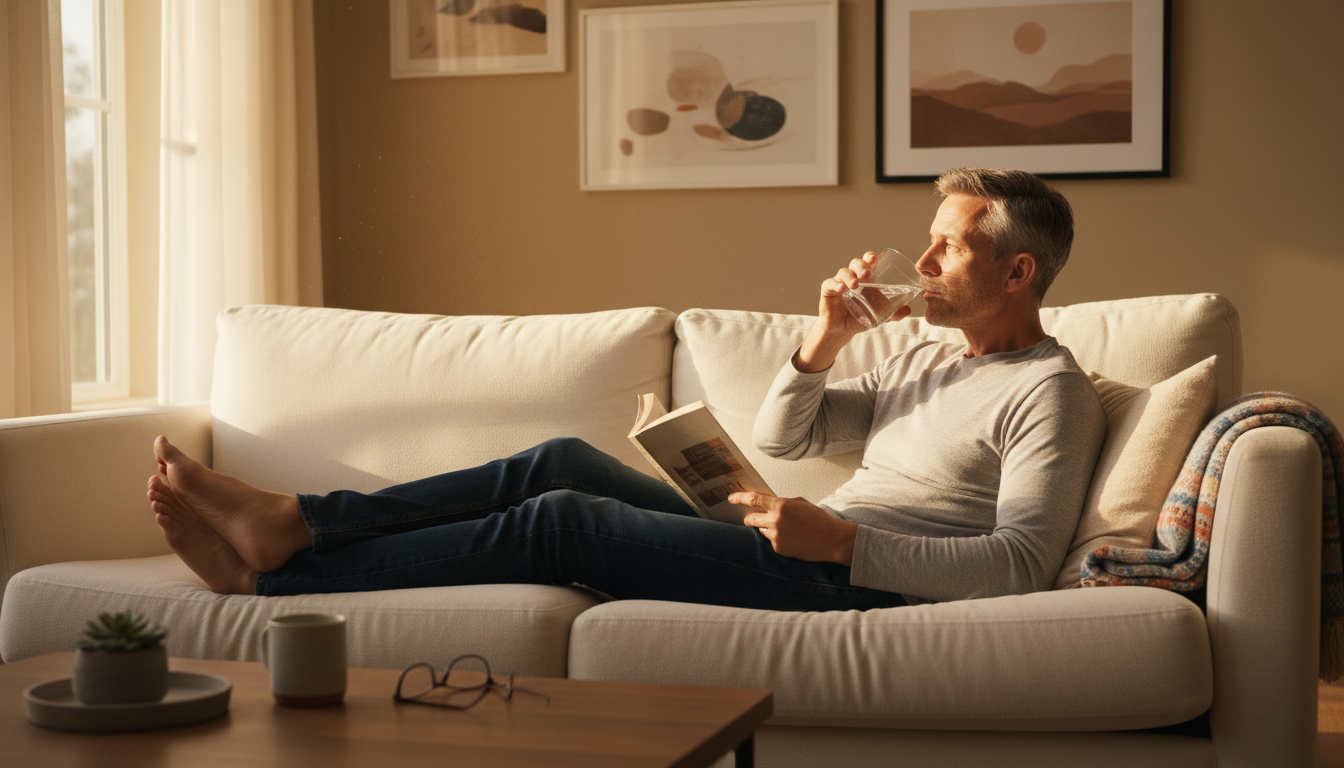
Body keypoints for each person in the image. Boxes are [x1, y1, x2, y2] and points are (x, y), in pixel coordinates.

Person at [148, 167, 1106, 609]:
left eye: (952, 243)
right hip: (808, 541)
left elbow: (1017, 563)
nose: (927, 257)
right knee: (561, 457)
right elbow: (799, 433)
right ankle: (298, 521)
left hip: (861, 583)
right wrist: (823, 339)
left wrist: (845, 542)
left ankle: (280, 568)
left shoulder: (1050, 394)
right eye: (930, 236)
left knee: (564, 518)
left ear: (1017, 275)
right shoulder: (926, 355)